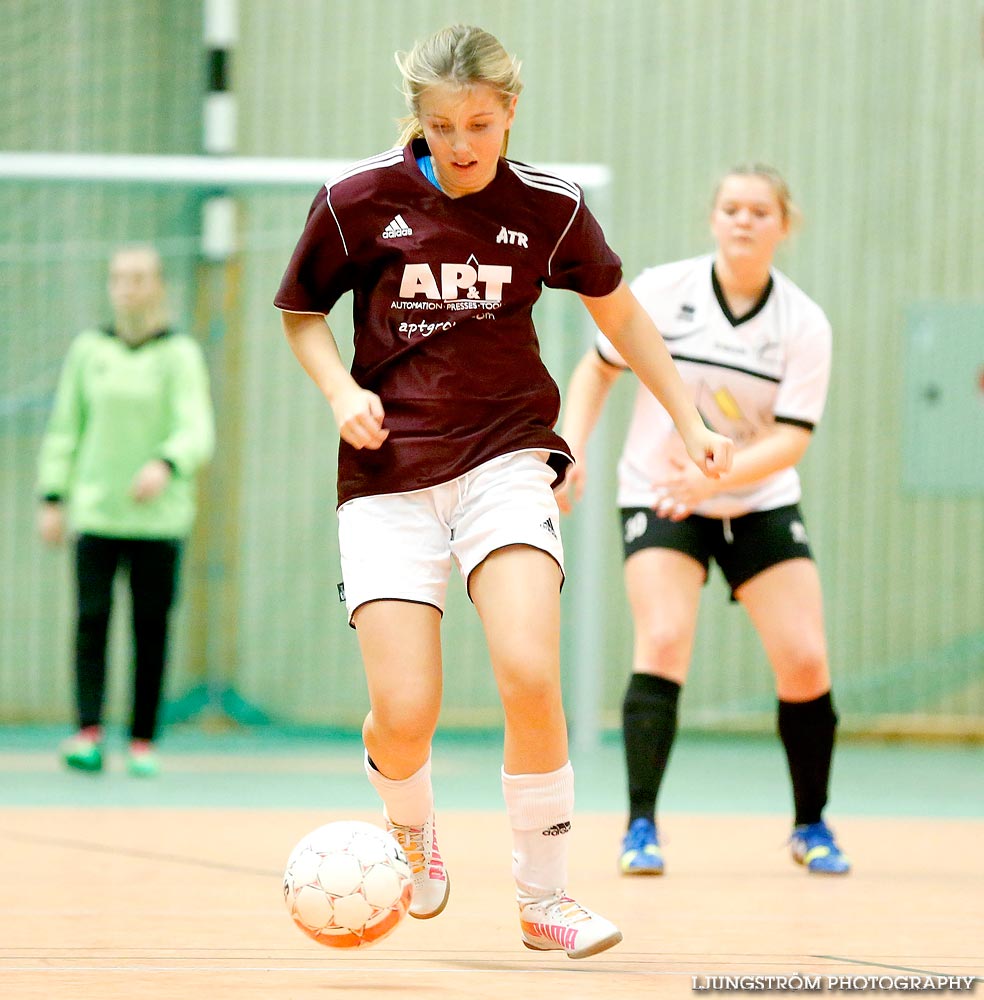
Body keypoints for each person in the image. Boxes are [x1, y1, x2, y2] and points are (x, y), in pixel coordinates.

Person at [275, 24, 733, 959]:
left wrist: (689, 420)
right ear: (419, 121)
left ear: (510, 111)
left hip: (506, 458)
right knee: (406, 717)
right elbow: (300, 315)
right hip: (388, 475)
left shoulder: (551, 208)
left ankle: (546, 900)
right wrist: (340, 390)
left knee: (529, 671)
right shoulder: (357, 200)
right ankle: (411, 821)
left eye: (479, 122)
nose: (462, 143)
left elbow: (623, 316)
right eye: (442, 125)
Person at [558, 165, 851, 878]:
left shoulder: (803, 322)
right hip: (660, 493)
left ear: (785, 225)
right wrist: (571, 447)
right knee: (661, 639)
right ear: (713, 218)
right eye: (731, 208)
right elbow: (596, 370)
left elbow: (792, 439)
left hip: (756, 498)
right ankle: (640, 827)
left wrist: (712, 477)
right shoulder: (663, 291)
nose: (745, 220)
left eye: (760, 211)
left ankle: (811, 824)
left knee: (806, 658)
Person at [37, 245, 215, 778]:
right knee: (91, 622)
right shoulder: (89, 351)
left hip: (159, 521)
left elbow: (196, 428)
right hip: (97, 513)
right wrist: (54, 495)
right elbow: (66, 426)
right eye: (119, 278)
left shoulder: (179, 354)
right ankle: (87, 731)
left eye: (139, 278)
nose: (128, 288)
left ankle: (142, 740)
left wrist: (166, 462)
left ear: (158, 286)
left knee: (150, 627)